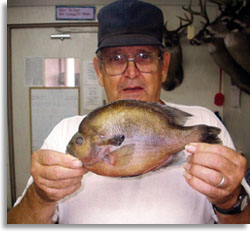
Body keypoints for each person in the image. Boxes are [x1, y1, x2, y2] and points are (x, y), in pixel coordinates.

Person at [7, 0, 249, 224]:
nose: (131, 72)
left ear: (163, 66)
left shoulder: (202, 123)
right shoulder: (64, 134)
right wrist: (40, 196)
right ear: (99, 70)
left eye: (144, 56)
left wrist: (231, 201)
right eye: (116, 58)